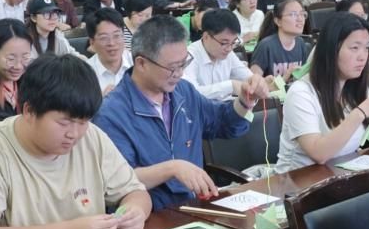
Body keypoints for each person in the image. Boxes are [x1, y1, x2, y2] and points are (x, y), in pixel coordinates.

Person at [0, 53, 150, 229]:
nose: (74, 134)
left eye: (83, 122)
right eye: (64, 123)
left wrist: (135, 211)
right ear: (29, 111)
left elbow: (136, 192)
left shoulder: (91, 136)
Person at [95, 16, 263, 210]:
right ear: (141, 63)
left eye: (183, 64)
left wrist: (245, 101)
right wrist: (171, 168)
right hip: (150, 215)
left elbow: (223, 123)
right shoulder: (111, 113)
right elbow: (118, 180)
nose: (180, 73)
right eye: (172, 67)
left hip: (194, 207)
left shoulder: (183, 91)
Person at [276, 12, 369, 171]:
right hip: (299, 180)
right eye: (355, 48)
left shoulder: (355, 87)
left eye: (366, 48)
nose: (363, 56)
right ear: (331, 50)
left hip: (341, 174)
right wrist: (360, 112)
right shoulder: (300, 93)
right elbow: (319, 154)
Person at [184, 7, 261, 100]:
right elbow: (190, 94)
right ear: (206, 37)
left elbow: (247, 77)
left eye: (233, 42)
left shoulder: (229, 52)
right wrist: (230, 86)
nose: (229, 49)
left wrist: (258, 82)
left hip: (225, 107)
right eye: (224, 43)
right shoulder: (189, 56)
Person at [85, 7, 133, 97]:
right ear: (92, 42)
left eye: (116, 36)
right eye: (104, 38)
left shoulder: (137, 63)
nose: (112, 43)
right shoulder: (85, 74)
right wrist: (100, 101)